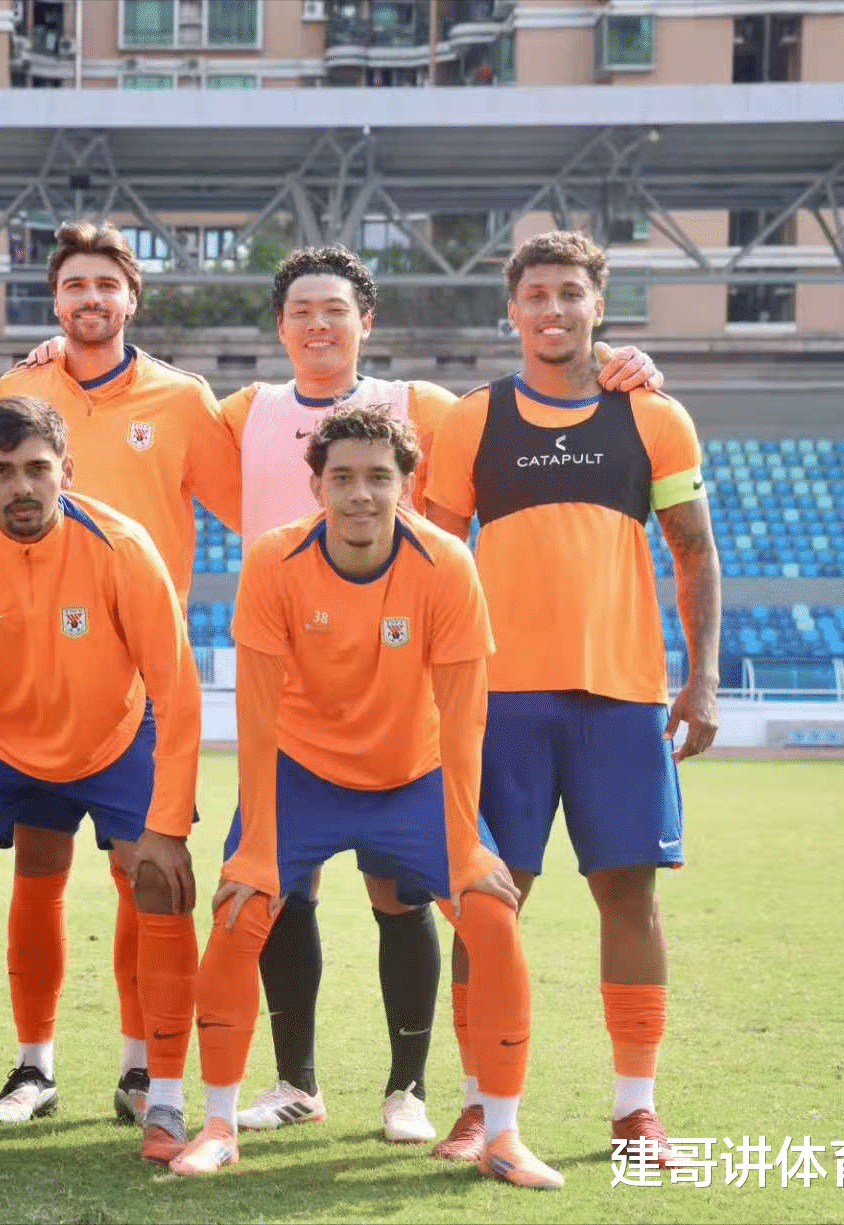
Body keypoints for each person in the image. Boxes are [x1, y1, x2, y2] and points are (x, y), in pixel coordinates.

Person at [13, 239, 663, 1141]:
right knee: (282, 891)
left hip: (398, 700)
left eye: (335, 310)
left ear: (366, 322)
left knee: (401, 894)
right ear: (279, 327)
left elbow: (534, 407)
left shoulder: (423, 406)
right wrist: (59, 355)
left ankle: (409, 1089)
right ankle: (296, 1081)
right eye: (301, 312)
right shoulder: (243, 412)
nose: (318, 325)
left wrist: (612, 361)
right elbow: (127, 417)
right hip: (293, 693)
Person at [170, 402, 561, 1188]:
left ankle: (502, 1132)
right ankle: (217, 1123)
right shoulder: (273, 560)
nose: (359, 494)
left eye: (378, 477)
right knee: (241, 906)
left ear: (405, 486)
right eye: (342, 477)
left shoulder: (445, 562)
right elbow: (255, 714)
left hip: (412, 776)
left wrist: (463, 842)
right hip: (302, 773)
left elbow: (464, 717)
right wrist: (255, 843)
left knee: (490, 912)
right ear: (315, 485)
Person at [423, 230, 719, 1167]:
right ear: (511, 311)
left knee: (629, 894)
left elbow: (693, 551)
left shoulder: (653, 416)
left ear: (597, 304)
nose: (551, 309)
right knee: (486, 901)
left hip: (620, 698)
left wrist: (702, 675)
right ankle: (479, 1104)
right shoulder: (472, 419)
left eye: (569, 293)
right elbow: (430, 561)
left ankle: (636, 1110)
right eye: (535, 295)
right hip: (496, 698)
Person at [0, 396, 202, 1164]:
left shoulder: (121, 545)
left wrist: (167, 823)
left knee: (159, 883)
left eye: (37, 468)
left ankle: (160, 1095)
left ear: (67, 469)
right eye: (2, 470)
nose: (21, 487)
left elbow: (177, 689)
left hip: (113, 736)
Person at [0, 222, 240, 1125]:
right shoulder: (17, 388)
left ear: (132, 297)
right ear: (54, 300)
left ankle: (138, 1069)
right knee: (37, 872)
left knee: (143, 871)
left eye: (105, 284)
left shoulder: (182, 398)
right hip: (35, 670)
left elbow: (251, 501)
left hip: (141, 677)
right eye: (73, 285)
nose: (89, 299)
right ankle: (34, 1066)